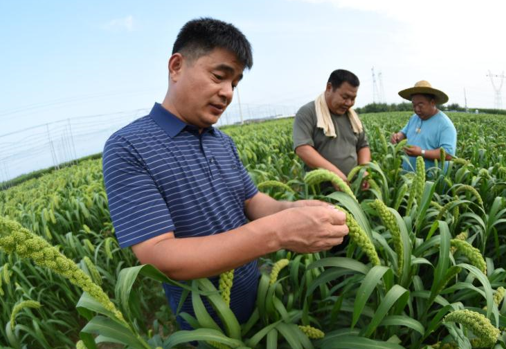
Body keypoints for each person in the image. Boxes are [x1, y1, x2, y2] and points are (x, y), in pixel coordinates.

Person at [102, 18, 349, 331]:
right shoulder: (128, 147)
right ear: (176, 66)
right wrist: (278, 232)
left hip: (257, 297)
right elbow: (159, 255)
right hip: (206, 322)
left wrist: (294, 210)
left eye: (235, 83)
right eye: (219, 76)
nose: (228, 92)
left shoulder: (223, 142)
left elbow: (252, 201)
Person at [293, 69, 371, 189]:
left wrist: (364, 171)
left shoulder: (353, 117)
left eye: (353, 98)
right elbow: (303, 148)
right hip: (321, 192)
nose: (349, 103)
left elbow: (363, 146)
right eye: (345, 97)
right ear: (329, 88)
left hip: (354, 188)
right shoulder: (308, 113)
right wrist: (333, 174)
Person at [390, 80, 457, 172]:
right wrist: (397, 137)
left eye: (421, 105)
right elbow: (404, 133)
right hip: (408, 178)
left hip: (431, 182)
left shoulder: (445, 125)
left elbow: (448, 154)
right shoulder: (414, 118)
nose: (417, 109)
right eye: (414, 105)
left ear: (432, 102)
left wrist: (421, 153)